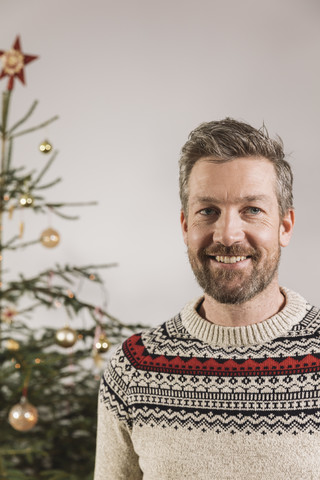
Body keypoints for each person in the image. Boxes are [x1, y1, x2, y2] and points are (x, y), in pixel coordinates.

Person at [94, 118, 320, 480]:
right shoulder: (133, 368)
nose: (228, 234)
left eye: (253, 210)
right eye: (208, 211)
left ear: (285, 227)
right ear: (186, 226)